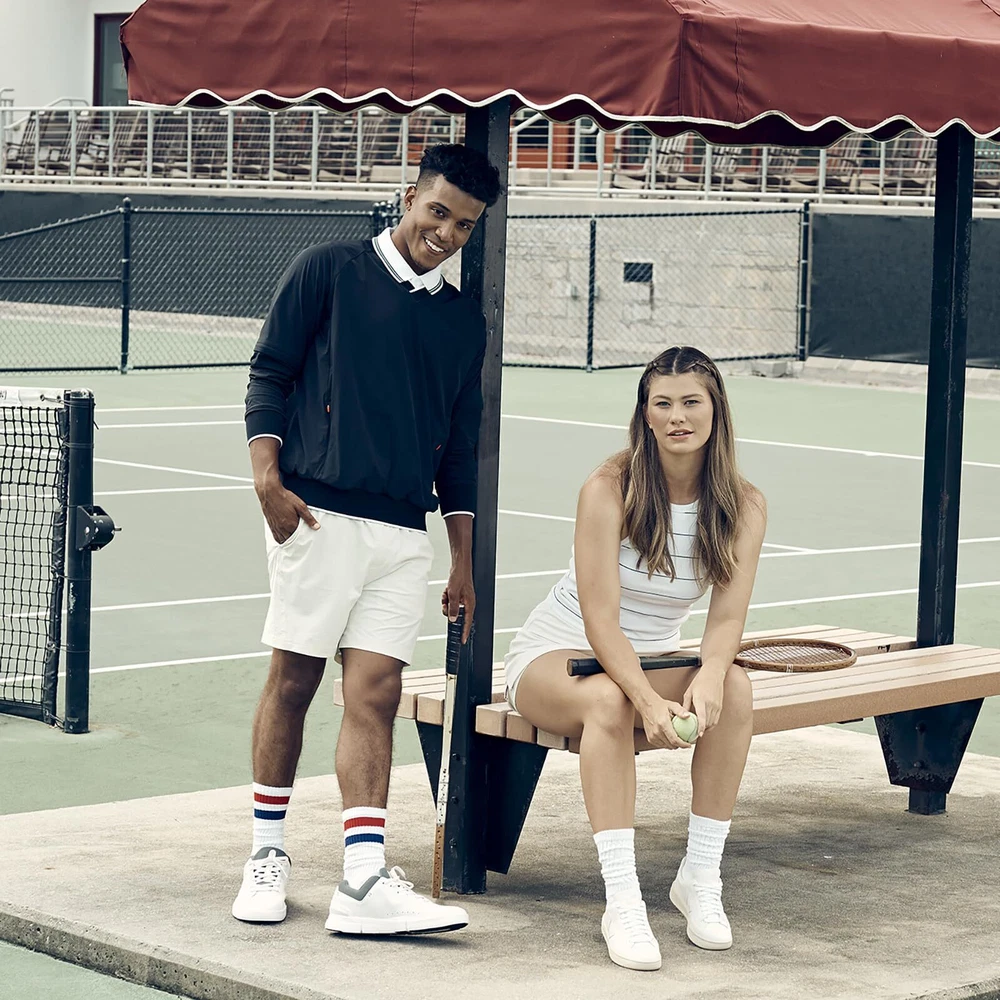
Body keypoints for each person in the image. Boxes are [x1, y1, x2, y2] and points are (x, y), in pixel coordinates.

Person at [232, 144, 502, 935]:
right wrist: (267, 483)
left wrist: (462, 559)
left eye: (464, 225)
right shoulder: (329, 269)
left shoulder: (462, 320)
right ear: (409, 197)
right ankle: (266, 854)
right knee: (293, 682)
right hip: (318, 517)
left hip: (404, 534)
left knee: (376, 697)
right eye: (438, 212)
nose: (446, 233)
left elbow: (459, 447)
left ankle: (361, 883)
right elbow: (269, 373)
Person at [504, 346, 766, 971]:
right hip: (558, 654)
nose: (678, 417)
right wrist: (648, 701)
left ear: (716, 410)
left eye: (691, 402)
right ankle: (622, 899)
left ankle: (700, 877)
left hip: (652, 659)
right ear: (645, 415)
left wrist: (710, 673)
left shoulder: (745, 505)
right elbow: (600, 621)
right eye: (663, 404)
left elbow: (726, 619)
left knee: (736, 689)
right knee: (609, 702)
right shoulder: (608, 489)